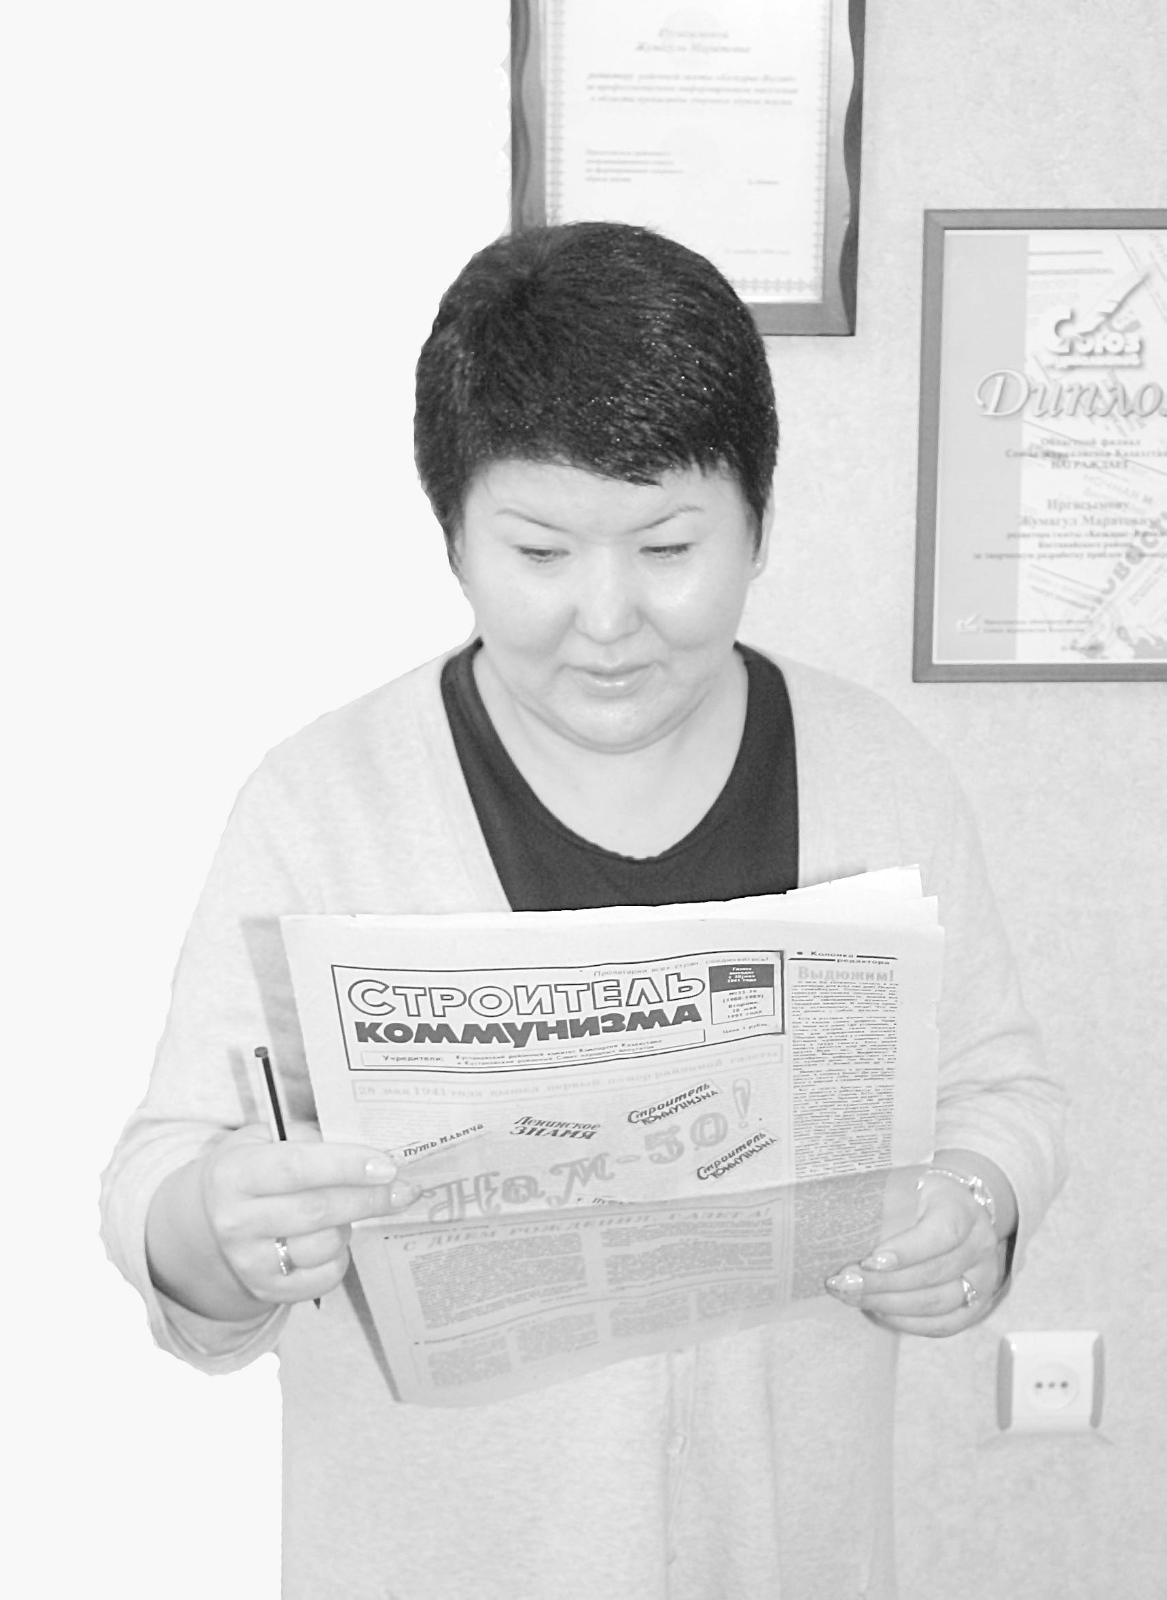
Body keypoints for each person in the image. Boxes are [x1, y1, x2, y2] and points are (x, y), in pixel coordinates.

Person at [101, 221, 1066, 1599]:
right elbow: (162, 1176)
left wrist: (977, 1205)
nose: (607, 617)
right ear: (453, 535)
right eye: (542, 552)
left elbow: (1000, 1090)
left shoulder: (880, 776)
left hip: (788, 1555)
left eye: (668, 545)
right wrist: (219, 1227)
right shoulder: (327, 803)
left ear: (759, 524)